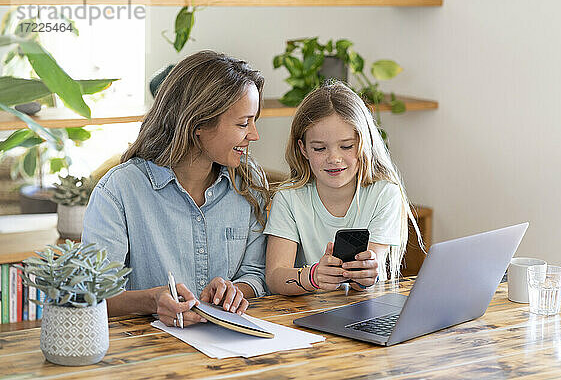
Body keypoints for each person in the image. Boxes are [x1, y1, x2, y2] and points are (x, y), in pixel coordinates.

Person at [82, 50, 269, 327]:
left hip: (229, 349)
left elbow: (255, 273)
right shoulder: (119, 190)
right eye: (243, 123)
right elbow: (92, 295)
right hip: (148, 353)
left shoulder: (249, 181)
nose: (254, 135)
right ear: (198, 124)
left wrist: (234, 292)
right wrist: (153, 300)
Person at [264, 82, 421, 295]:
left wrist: (365, 274)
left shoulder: (384, 194)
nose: (334, 158)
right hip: (305, 314)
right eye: (319, 148)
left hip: (363, 310)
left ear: (363, 143)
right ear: (303, 149)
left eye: (346, 146)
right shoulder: (289, 199)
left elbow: (364, 283)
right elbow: (275, 277)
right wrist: (314, 276)